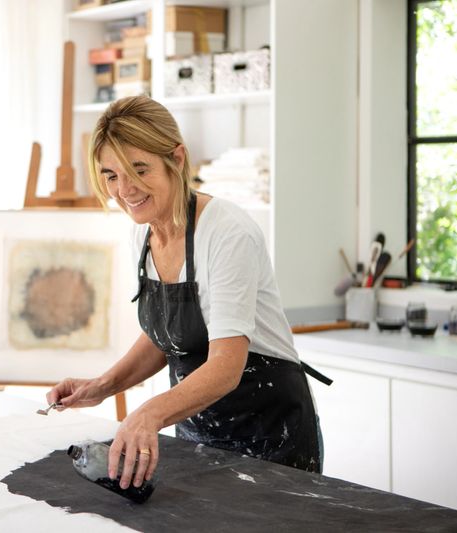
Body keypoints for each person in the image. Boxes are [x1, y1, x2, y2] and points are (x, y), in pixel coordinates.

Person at [46, 95, 324, 492]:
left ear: (176, 159)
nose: (124, 190)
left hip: (268, 434)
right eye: (110, 176)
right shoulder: (141, 234)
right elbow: (169, 335)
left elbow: (226, 367)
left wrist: (147, 415)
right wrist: (102, 386)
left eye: (138, 169)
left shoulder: (226, 232)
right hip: (198, 432)